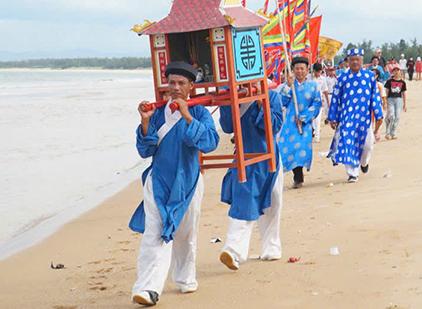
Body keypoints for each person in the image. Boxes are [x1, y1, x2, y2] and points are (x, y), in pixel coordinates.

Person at [130, 62, 220, 306]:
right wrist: (145, 121)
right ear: (166, 85)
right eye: (172, 83)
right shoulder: (157, 113)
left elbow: (211, 143)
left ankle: (185, 279)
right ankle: (148, 288)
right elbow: (145, 150)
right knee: (154, 234)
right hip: (158, 182)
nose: (176, 88)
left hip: (188, 183)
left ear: (192, 86)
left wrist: (188, 115)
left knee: (186, 234)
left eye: (182, 83)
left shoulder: (200, 112)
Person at [218, 88, 284, 271]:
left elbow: (275, 126)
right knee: (244, 202)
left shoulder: (271, 95)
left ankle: (271, 247)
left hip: (269, 156)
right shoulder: (229, 94)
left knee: (273, 204)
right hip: (244, 157)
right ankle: (234, 250)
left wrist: (261, 102)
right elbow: (227, 126)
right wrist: (234, 101)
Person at [327, 48, 384, 183]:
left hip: (364, 118)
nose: (355, 62)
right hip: (346, 118)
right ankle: (352, 173)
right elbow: (335, 98)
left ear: (362, 61)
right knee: (348, 143)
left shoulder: (369, 77)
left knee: (368, 145)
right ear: (348, 61)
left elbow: (375, 96)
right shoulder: (342, 78)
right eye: (352, 60)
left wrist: (378, 113)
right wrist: (333, 117)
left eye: (357, 59)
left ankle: (364, 162)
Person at [278, 56, 322, 189]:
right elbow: (281, 102)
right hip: (290, 123)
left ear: (307, 70)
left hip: (305, 124)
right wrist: (288, 86)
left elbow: (317, 103)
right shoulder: (288, 86)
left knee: (302, 148)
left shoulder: (313, 86)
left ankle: (299, 175)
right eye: (296, 69)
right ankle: (297, 176)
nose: (299, 71)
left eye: (302, 68)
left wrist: (304, 117)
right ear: (293, 70)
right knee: (290, 148)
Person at [384, 66, 408, 140]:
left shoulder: (402, 82)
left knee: (397, 117)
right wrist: (384, 102)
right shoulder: (389, 81)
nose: (396, 72)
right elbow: (386, 92)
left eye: (397, 71)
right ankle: (388, 132)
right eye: (394, 71)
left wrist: (404, 104)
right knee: (391, 116)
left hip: (399, 100)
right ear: (393, 72)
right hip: (390, 99)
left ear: (400, 72)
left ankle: (393, 132)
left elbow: (403, 93)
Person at [309, 63, 329, 142]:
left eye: (318, 72)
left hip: (318, 100)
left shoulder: (323, 79)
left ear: (321, 71)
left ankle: (317, 136)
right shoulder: (309, 78)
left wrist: (327, 101)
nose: (317, 73)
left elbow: (325, 90)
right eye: (315, 72)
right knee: (311, 119)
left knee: (317, 118)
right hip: (309, 101)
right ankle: (312, 132)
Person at [372, 68, 387, 142]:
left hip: (378, 104)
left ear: (377, 76)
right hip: (369, 106)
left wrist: (384, 104)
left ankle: (375, 131)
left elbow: (383, 95)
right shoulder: (366, 84)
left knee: (380, 120)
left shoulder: (379, 85)